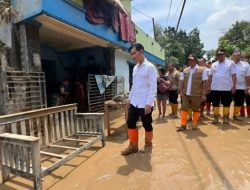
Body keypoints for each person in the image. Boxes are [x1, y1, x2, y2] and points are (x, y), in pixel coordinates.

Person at [121, 43, 157, 155]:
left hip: (145, 103)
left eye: (134, 53)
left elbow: (153, 86)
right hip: (135, 102)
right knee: (130, 122)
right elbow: (134, 85)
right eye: (131, 54)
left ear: (141, 51)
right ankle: (133, 146)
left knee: (147, 124)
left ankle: (148, 145)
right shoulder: (135, 68)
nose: (132, 56)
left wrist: (149, 103)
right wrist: (129, 99)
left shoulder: (150, 67)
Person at [177, 54, 208, 131]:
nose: (190, 61)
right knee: (184, 108)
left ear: (195, 61)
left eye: (192, 60)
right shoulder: (185, 70)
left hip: (196, 94)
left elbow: (205, 82)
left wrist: (204, 94)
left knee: (196, 109)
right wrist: (180, 91)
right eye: (189, 60)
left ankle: (194, 124)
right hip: (185, 93)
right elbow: (181, 81)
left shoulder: (202, 70)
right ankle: (183, 125)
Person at [208, 49, 236, 124]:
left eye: (221, 54)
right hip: (214, 88)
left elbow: (233, 75)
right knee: (215, 103)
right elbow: (210, 76)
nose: (219, 56)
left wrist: (234, 86)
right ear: (216, 56)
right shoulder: (214, 64)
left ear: (224, 54)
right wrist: (209, 86)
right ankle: (216, 117)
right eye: (218, 55)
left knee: (226, 103)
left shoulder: (231, 63)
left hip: (226, 88)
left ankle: (225, 118)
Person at [232, 50, 250, 120]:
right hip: (229, 87)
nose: (236, 57)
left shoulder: (246, 64)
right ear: (232, 56)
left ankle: (235, 115)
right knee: (227, 101)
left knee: (239, 101)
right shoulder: (230, 64)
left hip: (241, 87)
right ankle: (226, 115)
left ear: (240, 56)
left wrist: (248, 86)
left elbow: (248, 76)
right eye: (235, 55)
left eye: (238, 55)